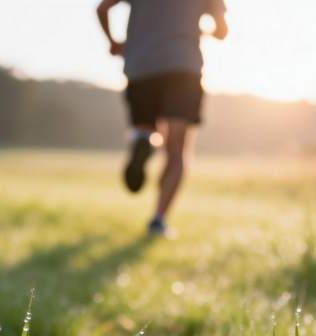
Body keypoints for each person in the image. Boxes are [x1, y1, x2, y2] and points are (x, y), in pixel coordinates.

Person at [97, 0, 228, 237]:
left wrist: (114, 43)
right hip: (182, 66)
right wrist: (202, 30)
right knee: (176, 149)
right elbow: (222, 32)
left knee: (146, 129)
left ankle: (145, 140)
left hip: (141, 67)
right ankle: (158, 219)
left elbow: (102, 8)